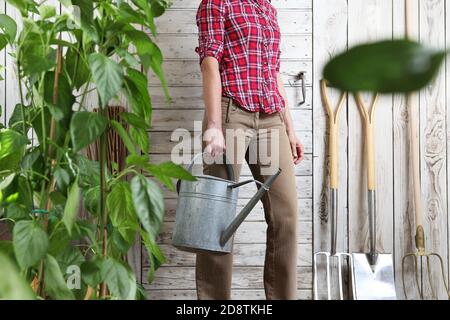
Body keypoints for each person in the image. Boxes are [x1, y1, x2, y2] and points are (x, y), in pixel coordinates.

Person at [195, 0, 304, 300]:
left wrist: (290, 128)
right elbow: (209, 62)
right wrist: (214, 124)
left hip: (270, 116)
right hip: (232, 111)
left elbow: (274, 72)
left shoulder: (266, 8)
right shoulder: (217, 3)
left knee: (286, 215)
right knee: (218, 217)